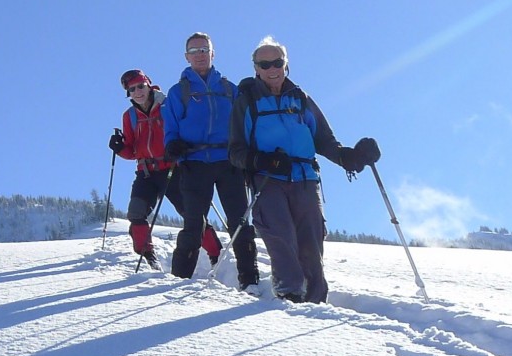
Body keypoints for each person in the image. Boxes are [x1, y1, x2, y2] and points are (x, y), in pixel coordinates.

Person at [227, 36, 380, 303]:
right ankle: (290, 296)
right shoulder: (247, 103)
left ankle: (316, 302)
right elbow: (236, 152)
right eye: (265, 64)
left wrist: (351, 158)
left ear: (286, 65)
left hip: (306, 179)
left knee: (311, 243)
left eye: (277, 62)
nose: (272, 68)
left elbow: (324, 140)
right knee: (281, 238)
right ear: (256, 68)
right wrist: (263, 161)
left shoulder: (300, 99)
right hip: (268, 180)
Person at [161, 32, 258, 287]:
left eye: (204, 50)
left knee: (239, 221)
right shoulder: (178, 91)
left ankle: (250, 280)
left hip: (228, 161)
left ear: (213, 53)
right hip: (193, 162)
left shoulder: (229, 89)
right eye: (194, 51)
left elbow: (245, 121)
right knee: (194, 223)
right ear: (186, 57)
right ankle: (178, 279)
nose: (200, 55)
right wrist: (172, 144)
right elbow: (169, 125)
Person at [106, 69, 183, 266]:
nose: (138, 91)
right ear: (129, 94)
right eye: (132, 89)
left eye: (140, 86)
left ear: (149, 85)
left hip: (173, 168)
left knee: (192, 213)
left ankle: (215, 253)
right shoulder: (130, 116)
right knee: (136, 213)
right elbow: (132, 151)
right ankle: (148, 256)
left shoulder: (168, 105)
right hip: (146, 173)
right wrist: (120, 147)